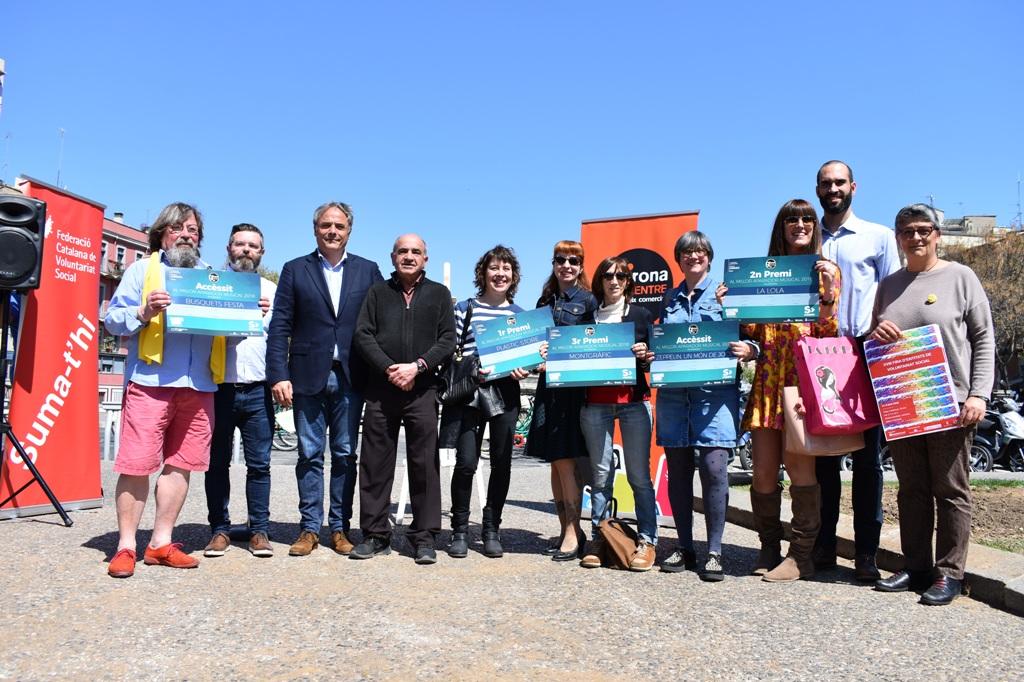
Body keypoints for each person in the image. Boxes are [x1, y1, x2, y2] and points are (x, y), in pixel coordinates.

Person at [871, 203, 994, 606]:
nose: (916, 237)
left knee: (950, 489)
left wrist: (978, 393)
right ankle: (917, 566)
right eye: (907, 231)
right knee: (911, 490)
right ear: (898, 238)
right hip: (904, 403)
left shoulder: (961, 277)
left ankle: (949, 574)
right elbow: (876, 341)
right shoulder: (888, 285)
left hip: (951, 402)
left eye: (924, 229)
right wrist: (876, 333)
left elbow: (984, 339)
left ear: (937, 235)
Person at [103, 202, 217, 578]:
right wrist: (143, 311)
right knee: (137, 466)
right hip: (150, 383)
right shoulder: (141, 270)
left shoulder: (210, 276)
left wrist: (250, 311)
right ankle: (125, 547)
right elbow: (113, 321)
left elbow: (228, 329)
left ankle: (160, 543)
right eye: (178, 229)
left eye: (193, 230)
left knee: (181, 466)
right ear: (162, 234)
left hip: (198, 385)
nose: (186, 235)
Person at [732, 200, 841, 582]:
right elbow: (750, 335)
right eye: (792, 219)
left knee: (800, 472)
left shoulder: (826, 272)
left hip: (802, 385)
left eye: (807, 218)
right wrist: (732, 306)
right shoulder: (760, 273)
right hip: (766, 382)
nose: (800, 224)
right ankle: (768, 546)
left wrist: (827, 292)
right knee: (762, 473)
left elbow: (829, 335)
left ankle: (801, 556)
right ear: (782, 226)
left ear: (815, 226)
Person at [266, 202, 383, 557]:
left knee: (346, 454)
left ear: (350, 230)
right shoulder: (294, 270)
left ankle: (340, 528)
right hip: (305, 376)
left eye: (339, 226)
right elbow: (280, 325)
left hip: (351, 376)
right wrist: (278, 374)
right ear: (315, 229)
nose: (332, 231)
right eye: (325, 225)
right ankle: (308, 528)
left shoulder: (368, 270)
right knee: (310, 453)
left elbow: (382, 322)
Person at [814, 160, 900, 581]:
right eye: (826, 183)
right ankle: (824, 549)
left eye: (839, 182)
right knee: (823, 462)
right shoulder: (805, 239)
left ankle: (867, 553)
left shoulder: (878, 237)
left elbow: (894, 293)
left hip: (865, 355)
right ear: (818, 189)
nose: (833, 189)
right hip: (817, 357)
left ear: (853, 186)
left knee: (867, 462)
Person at [655, 231, 755, 580]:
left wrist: (750, 349)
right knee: (678, 473)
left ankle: (715, 551)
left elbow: (754, 334)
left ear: (709, 257)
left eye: (699, 251)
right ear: (679, 259)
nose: (693, 256)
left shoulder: (727, 293)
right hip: (674, 398)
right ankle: (685, 547)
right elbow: (663, 344)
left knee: (714, 469)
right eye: (686, 252)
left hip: (715, 398)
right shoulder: (669, 298)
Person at [351, 234, 456, 564]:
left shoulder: (439, 294)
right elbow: (363, 335)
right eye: (403, 251)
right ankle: (374, 534)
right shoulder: (378, 292)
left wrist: (417, 367)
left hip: (422, 390)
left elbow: (448, 339)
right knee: (374, 464)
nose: (409, 256)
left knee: (424, 464)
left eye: (416, 252)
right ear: (392, 256)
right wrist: (389, 369)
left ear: (426, 258)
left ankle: (423, 537)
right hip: (382, 390)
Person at [442, 245, 534, 559]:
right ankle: (459, 530)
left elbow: (530, 360)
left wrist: (526, 368)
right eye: (494, 268)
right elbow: (451, 348)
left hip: (506, 392)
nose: (500, 274)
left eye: (506, 269)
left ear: (514, 276)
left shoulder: (521, 316)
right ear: (483, 273)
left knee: (502, 464)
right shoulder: (465, 308)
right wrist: (475, 364)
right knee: (466, 463)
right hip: (471, 392)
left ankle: (492, 528)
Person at [578, 256, 658, 571]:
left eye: (621, 277)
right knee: (600, 476)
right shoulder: (586, 317)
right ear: (599, 281)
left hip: (633, 403)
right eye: (608, 276)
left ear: (628, 282)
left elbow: (653, 362)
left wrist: (645, 357)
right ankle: (601, 537)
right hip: (595, 403)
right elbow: (574, 359)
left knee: (639, 476)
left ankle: (648, 540)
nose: (614, 281)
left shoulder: (640, 315)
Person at [202, 224, 277, 558]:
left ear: (262, 253)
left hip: (258, 390)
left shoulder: (271, 292)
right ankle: (219, 530)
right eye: (240, 244)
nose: (247, 250)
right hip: (217, 387)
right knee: (216, 464)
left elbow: (281, 338)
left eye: (253, 246)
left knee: (260, 465)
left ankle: (259, 530)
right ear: (229, 248)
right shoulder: (210, 285)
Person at [523, 240, 597, 561]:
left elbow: (592, 347)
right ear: (553, 263)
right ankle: (568, 528)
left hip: (571, 389)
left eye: (573, 260)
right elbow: (534, 343)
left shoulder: (589, 301)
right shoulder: (545, 300)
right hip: (546, 388)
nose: (566, 265)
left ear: (580, 266)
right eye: (560, 259)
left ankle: (572, 532)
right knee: (554, 462)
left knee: (567, 462)